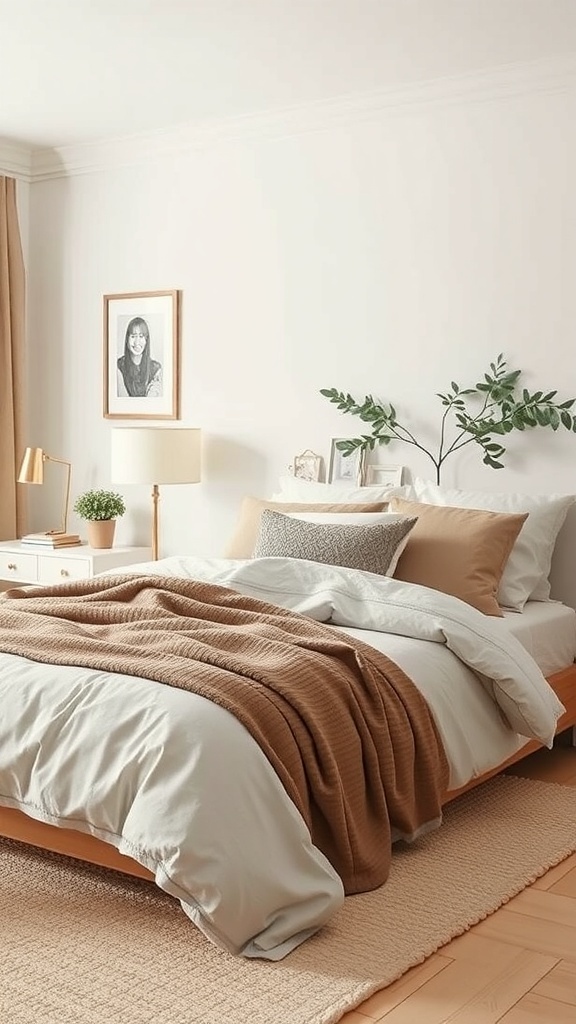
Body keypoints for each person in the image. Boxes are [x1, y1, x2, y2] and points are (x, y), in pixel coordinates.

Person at [117, 316, 163, 397]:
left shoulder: (156, 369)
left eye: (141, 336)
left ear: (146, 340)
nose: (137, 342)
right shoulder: (119, 366)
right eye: (133, 336)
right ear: (127, 339)